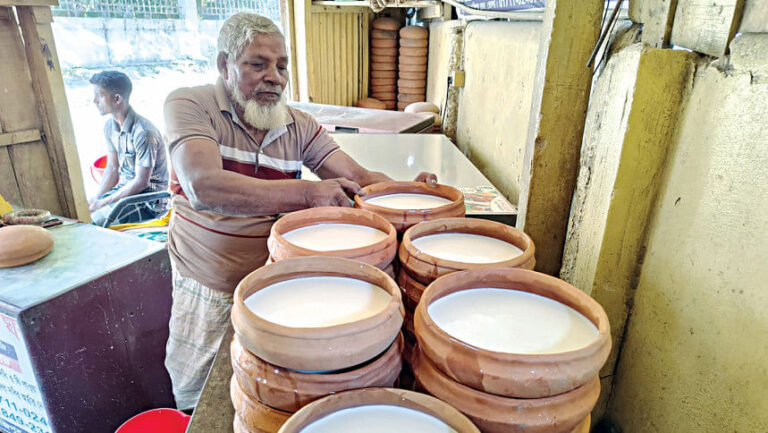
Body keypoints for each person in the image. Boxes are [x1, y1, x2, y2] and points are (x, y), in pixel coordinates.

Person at [163, 12, 437, 409]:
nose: (274, 76)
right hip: (209, 288)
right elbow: (203, 186)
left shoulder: (297, 125)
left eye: (282, 65)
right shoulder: (190, 105)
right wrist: (308, 194)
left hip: (278, 287)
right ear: (224, 66)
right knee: (207, 397)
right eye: (257, 64)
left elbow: (358, 177)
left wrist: (410, 192)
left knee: (269, 390)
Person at [88, 71, 169, 226]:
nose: (94, 100)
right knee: (84, 213)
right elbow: (112, 168)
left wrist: (104, 203)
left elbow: (141, 183)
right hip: (124, 192)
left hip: (149, 201)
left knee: (95, 223)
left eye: (99, 95)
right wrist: (97, 199)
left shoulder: (144, 132)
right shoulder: (110, 127)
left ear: (117, 99)